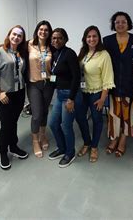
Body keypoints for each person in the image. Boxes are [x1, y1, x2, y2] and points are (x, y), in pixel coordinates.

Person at [0, 25, 29, 170]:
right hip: (4, 94)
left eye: (20, 36)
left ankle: (13, 147)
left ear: (22, 39)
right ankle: (3, 152)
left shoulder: (21, 53)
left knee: (14, 122)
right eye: (14, 34)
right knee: (6, 125)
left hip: (19, 93)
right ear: (9, 35)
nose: (16, 37)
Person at [103, 11, 133, 157]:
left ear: (128, 24)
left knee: (128, 116)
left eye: (123, 22)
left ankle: (122, 141)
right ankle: (113, 139)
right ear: (114, 25)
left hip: (130, 86)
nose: (120, 24)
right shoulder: (106, 41)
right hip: (113, 86)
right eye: (117, 22)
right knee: (114, 115)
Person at [75, 26, 115, 162]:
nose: (91, 39)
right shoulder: (83, 52)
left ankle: (94, 147)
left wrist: (102, 99)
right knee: (80, 118)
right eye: (89, 36)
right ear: (85, 39)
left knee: (97, 120)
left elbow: (108, 79)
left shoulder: (104, 55)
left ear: (98, 38)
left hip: (96, 93)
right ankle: (87, 142)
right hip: (82, 93)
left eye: (94, 36)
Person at [47, 28, 81, 168]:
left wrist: (71, 99)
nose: (56, 40)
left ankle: (70, 152)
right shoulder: (55, 54)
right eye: (54, 38)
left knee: (66, 125)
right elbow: (58, 74)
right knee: (53, 123)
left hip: (69, 95)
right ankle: (61, 148)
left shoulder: (70, 54)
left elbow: (76, 77)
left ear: (65, 39)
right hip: (60, 94)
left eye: (59, 38)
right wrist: (50, 79)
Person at [27, 20, 54, 158]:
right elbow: (13, 49)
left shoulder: (51, 47)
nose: (43, 32)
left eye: (46, 30)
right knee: (36, 114)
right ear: (37, 30)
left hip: (48, 83)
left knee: (44, 111)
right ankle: (35, 140)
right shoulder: (29, 44)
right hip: (34, 84)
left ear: (49, 33)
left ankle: (43, 135)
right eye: (41, 29)